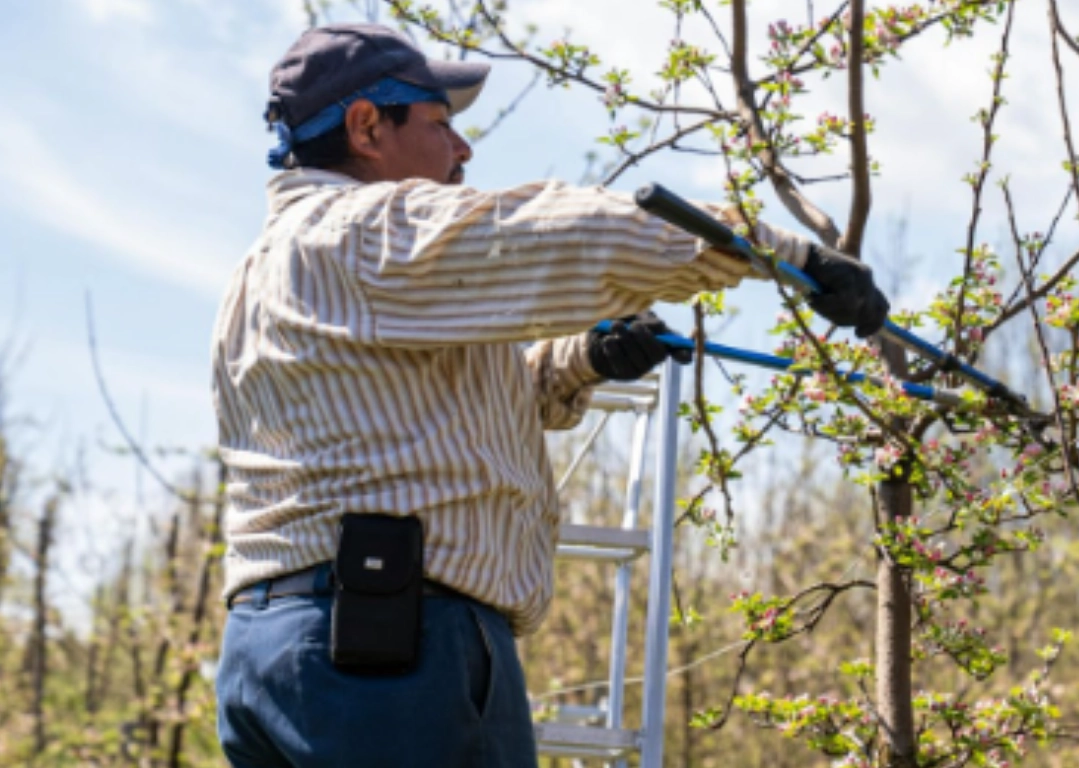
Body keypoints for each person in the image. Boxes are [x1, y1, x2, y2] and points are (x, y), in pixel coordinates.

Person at [212, 22, 888, 768]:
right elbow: (557, 235)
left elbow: (422, 422)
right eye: (440, 125)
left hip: (280, 650)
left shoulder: (267, 271)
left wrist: (581, 360)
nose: (463, 152)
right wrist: (782, 254)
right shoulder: (364, 232)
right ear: (367, 126)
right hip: (391, 654)